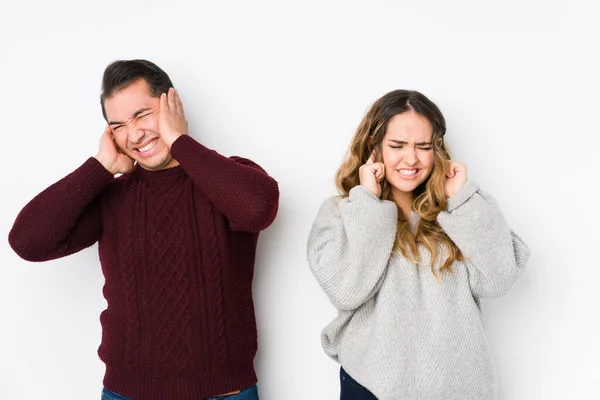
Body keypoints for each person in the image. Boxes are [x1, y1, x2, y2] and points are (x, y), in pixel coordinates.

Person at [9, 59, 278, 400]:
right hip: (128, 393)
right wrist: (101, 166)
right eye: (118, 125)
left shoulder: (227, 176)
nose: (134, 134)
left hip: (223, 393)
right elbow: (27, 241)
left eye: (142, 115)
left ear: (171, 104)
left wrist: (179, 140)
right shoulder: (113, 196)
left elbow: (258, 208)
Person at [307, 90, 530, 400]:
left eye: (423, 146)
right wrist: (369, 202)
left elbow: (499, 278)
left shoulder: (458, 212)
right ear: (374, 148)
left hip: (458, 390)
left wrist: (461, 198)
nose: (410, 159)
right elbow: (346, 289)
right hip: (372, 388)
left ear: (437, 150)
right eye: (397, 146)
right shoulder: (342, 212)